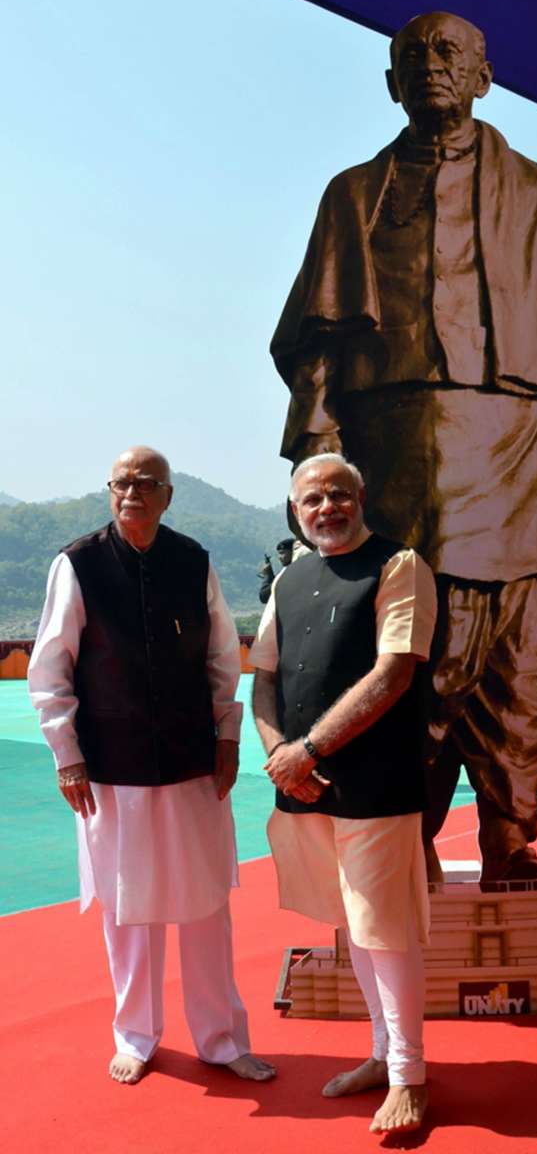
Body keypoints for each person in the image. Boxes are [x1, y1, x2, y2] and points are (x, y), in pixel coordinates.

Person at [269, 11, 537, 882]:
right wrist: (319, 432)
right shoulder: (355, 193)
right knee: (405, 640)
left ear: (482, 76)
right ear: (392, 84)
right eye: (412, 58)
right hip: (388, 446)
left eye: (449, 54)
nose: (431, 67)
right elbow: (315, 337)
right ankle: (408, 834)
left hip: (510, 441)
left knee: (517, 639)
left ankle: (510, 835)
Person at [28, 446, 275, 1086]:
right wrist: (67, 757)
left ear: (169, 495)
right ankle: (136, 1036)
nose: (132, 492)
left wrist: (227, 736)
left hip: (194, 761)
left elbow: (224, 655)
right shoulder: (77, 564)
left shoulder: (194, 561)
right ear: (109, 491)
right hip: (112, 766)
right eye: (121, 482)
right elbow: (51, 669)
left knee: (205, 906)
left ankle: (221, 1038)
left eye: (146, 483)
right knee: (125, 908)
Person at [250, 453, 437, 1135]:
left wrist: (309, 750)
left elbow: (393, 674)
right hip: (306, 782)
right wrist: (278, 753)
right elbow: (264, 678)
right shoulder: (290, 579)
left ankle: (410, 1077)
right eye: (311, 500)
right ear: (295, 512)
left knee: (385, 928)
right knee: (354, 926)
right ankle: (382, 1055)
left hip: (376, 782)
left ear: (361, 498)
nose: (325, 508)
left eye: (337, 495)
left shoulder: (399, 566)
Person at [258, 538, 295, 605]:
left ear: (293, 552)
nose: (279, 557)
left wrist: (267, 576)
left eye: (282, 553)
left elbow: (264, 596)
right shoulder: (290, 570)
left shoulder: (288, 572)